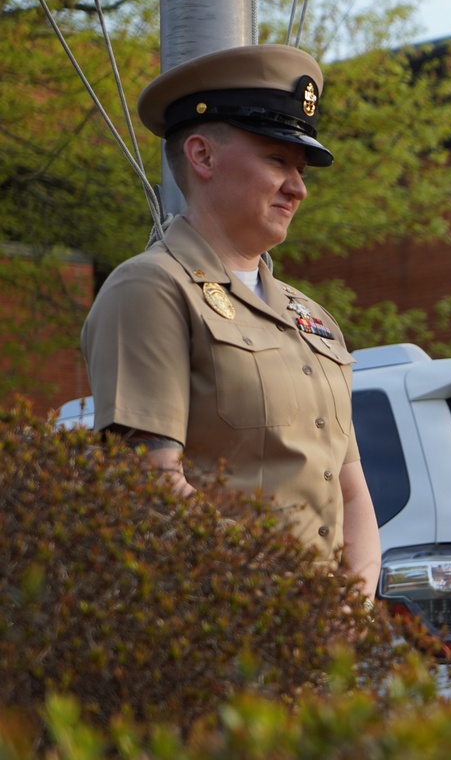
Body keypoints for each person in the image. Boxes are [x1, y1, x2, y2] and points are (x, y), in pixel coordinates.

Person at [81, 44, 380, 599]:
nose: (298, 187)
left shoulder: (312, 318)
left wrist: (351, 607)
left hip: (317, 632)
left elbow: (352, 491)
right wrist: (290, 599)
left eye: (300, 169)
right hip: (221, 623)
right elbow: (150, 485)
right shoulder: (151, 288)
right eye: (277, 160)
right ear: (202, 156)